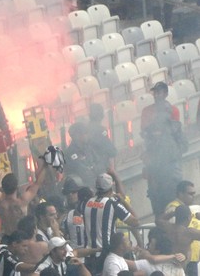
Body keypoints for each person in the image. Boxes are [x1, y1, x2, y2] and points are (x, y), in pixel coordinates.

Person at [80, 172, 141, 274]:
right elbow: (136, 222)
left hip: (88, 255)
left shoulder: (85, 203)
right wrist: (124, 202)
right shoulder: (112, 204)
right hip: (106, 254)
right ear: (111, 187)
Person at [141, 82, 186, 216]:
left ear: (166, 94)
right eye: (155, 92)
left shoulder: (174, 111)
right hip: (155, 166)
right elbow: (144, 134)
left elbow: (180, 141)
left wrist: (173, 154)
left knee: (175, 199)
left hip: (171, 165)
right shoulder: (147, 111)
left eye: (159, 92)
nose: (156, 95)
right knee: (157, 201)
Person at [0, 164, 47, 234]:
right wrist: (45, 166)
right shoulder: (22, 201)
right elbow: (37, 183)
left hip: (8, 237)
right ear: (16, 187)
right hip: (22, 237)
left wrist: (1, 188)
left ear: (4, 188)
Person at [102, 232, 185, 276]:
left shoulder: (148, 263)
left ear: (157, 251)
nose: (148, 246)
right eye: (127, 241)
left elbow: (153, 259)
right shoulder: (178, 266)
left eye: (151, 244)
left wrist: (145, 255)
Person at [165, 181, 200, 274]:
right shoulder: (173, 208)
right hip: (180, 259)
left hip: (193, 258)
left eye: (194, 194)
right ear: (180, 193)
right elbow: (175, 231)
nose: (193, 196)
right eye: (190, 193)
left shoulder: (192, 208)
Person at [63, 122, 106, 189]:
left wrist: (96, 169)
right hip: (84, 188)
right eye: (85, 133)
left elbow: (100, 163)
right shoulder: (70, 153)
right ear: (76, 135)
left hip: (97, 182)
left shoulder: (89, 147)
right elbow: (82, 172)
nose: (87, 135)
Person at [86, 104, 116, 169]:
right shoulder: (101, 130)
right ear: (100, 116)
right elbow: (108, 146)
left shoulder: (87, 128)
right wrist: (113, 151)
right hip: (101, 164)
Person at [62, 187, 93, 251]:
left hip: (74, 253)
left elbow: (64, 234)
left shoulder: (69, 214)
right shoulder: (95, 213)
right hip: (89, 253)